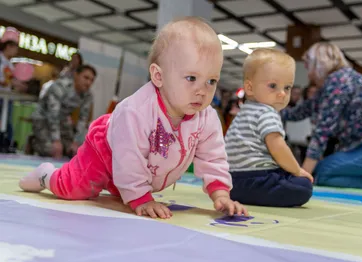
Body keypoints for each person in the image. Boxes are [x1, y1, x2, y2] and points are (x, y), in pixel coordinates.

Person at [19, 17, 248, 219]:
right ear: (158, 76)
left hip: (139, 171)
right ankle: (46, 175)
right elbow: (129, 156)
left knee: (123, 191)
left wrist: (220, 194)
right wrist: (140, 198)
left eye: (211, 81)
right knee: (72, 189)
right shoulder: (136, 111)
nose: (203, 90)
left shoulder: (206, 117)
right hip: (106, 151)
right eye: (191, 78)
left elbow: (213, 158)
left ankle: (130, 188)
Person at [281, 42, 362, 191]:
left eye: (307, 66)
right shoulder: (338, 82)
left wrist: (302, 177)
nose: (307, 73)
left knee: (322, 173)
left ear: (318, 63)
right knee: (325, 169)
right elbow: (298, 112)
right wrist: (268, 110)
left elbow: (322, 132)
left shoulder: (337, 81)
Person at [224, 48, 313, 207]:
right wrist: (297, 170)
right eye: (273, 86)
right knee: (303, 186)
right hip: (258, 179)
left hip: (232, 183)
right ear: (249, 88)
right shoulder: (267, 112)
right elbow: (278, 148)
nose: (282, 94)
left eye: (287, 87)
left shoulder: (243, 112)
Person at [31, 64, 96, 159]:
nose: (88, 82)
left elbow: (83, 119)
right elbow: (53, 115)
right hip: (43, 118)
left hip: (62, 120)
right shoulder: (60, 86)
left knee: (73, 151)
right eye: (86, 78)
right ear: (76, 75)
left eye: (91, 80)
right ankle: (34, 142)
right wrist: (56, 140)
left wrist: (76, 142)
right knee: (52, 150)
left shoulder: (88, 95)